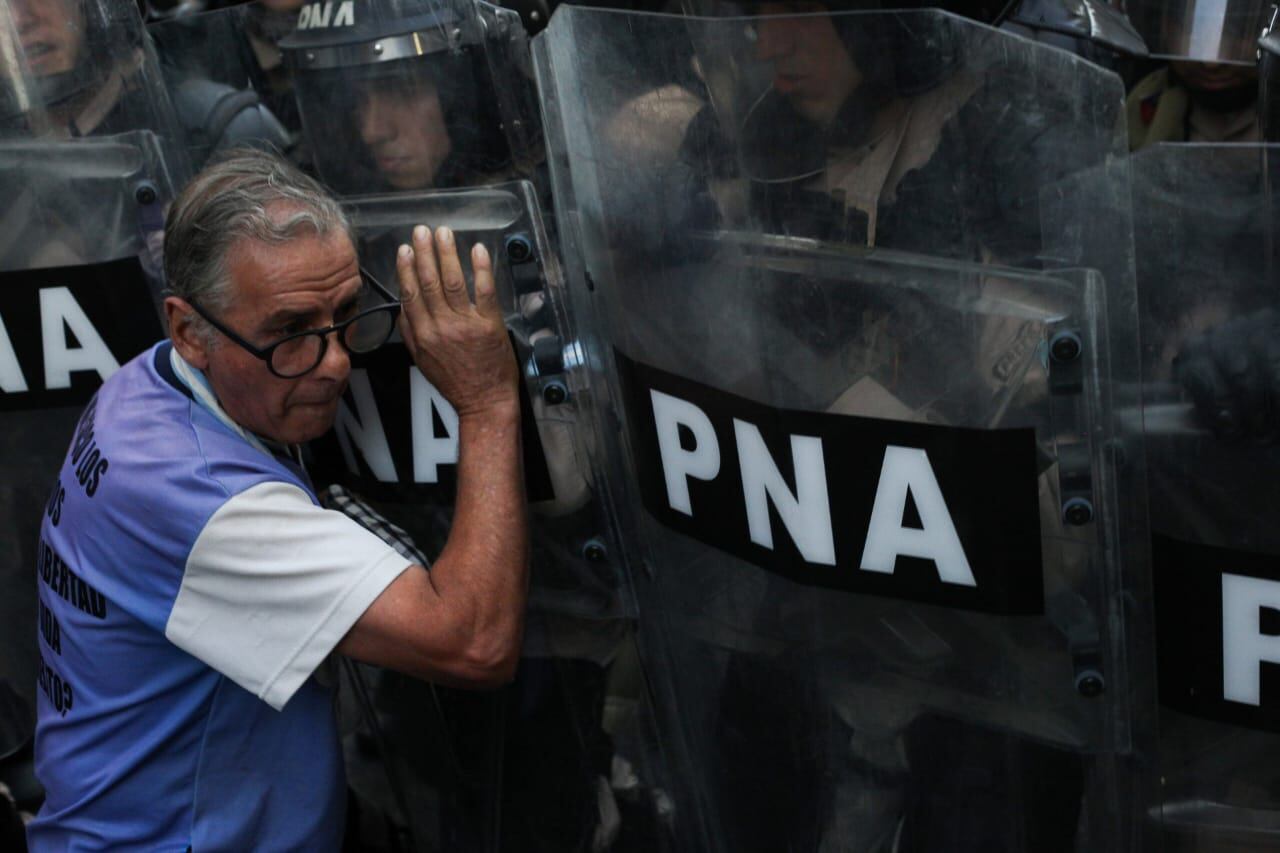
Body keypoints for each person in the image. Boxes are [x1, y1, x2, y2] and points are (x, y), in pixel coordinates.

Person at [25, 148, 529, 850]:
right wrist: (486, 402)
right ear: (187, 330)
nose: (336, 363)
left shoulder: (144, 386)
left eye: (347, 313)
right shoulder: (204, 502)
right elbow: (474, 643)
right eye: (290, 332)